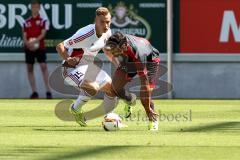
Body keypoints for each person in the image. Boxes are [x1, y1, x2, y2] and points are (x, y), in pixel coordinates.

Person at [56, 7, 136, 127]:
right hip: (71, 69)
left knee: (113, 90)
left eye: (108, 22)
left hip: (88, 68)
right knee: (93, 88)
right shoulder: (86, 34)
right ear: (96, 21)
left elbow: (107, 51)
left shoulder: (107, 32)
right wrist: (67, 58)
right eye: (102, 22)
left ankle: (110, 119)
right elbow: (60, 46)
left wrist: (119, 66)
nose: (106, 25)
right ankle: (75, 108)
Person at [104, 32, 161, 131]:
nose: (112, 52)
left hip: (149, 60)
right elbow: (107, 50)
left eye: (114, 49)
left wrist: (147, 109)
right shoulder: (117, 42)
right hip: (128, 58)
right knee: (115, 88)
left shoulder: (138, 54)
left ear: (124, 46)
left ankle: (152, 119)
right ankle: (130, 100)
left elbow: (144, 83)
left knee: (147, 93)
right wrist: (119, 65)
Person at [22, 0, 52, 99]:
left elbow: (43, 34)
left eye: (37, 7)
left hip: (40, 47)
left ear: (39, 8)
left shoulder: (43, 21)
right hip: (29, 48)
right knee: (29, 68)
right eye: (33, 7)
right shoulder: (26, 22)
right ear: (31, 8)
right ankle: (34, 92)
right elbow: (24, 36)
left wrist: (34, 42)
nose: (35, 8)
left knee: (43, 66)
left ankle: (48, 91)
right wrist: (28, 43)